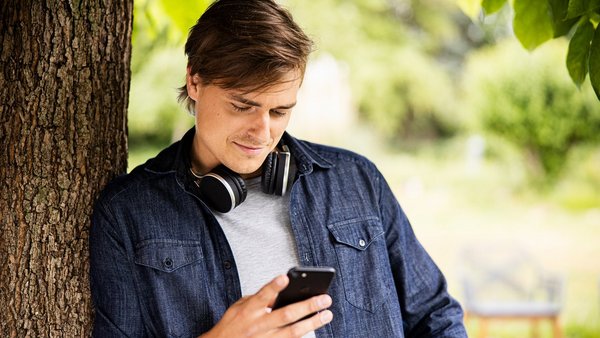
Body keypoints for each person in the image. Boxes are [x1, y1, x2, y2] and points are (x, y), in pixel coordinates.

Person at [89, 0, 468, 337]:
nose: (263, 132)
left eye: (280, 111)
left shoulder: (357, 180)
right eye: (243, 106)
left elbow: (436, 317)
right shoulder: (128, 211)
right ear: (194, 81)